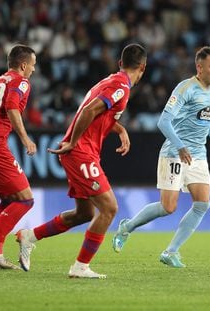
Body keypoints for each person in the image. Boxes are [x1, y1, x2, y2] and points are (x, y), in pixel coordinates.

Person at [15, 43, 147, 278]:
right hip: (80, 152)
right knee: (109, 208)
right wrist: (74, 142)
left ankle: (29, 236)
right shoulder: (120, 86)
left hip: (82, 152)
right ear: (143, 68)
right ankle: (80, 267)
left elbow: (99, 115)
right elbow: (87, 112)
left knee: (84, 214)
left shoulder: (109, 81)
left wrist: (120, 129)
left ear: (120, 63)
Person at [112, 46, 210, 268]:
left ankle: (171, 251)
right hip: (174, 153)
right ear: (199, 67)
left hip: (198, 155)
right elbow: (163, 122)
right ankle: (127, 227)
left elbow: (207, 120)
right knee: (168, 207)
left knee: (202, 204)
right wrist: (179, 146)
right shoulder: (185, 88)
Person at [0, 45, 37, 271]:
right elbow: (12, 106)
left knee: (10, 198)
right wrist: (25, 138)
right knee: (25, 199)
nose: (33, 69)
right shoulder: (20, 82)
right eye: (32, 65)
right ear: (23, 65)